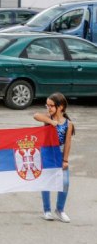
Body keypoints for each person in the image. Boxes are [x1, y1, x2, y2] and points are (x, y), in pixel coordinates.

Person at [34, 93, 75, 223]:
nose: (49, 108)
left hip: (59, 155)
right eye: (47, 105)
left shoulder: (68, 124)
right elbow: (36, 115)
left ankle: (60, 209)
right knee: (46, 182)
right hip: (47, 153)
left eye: (52, 106)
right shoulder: (48, 118)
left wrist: (65, 160)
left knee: (65, 183)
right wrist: (51, 121)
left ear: (61, 107)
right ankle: (47, 210)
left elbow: (68, 142)